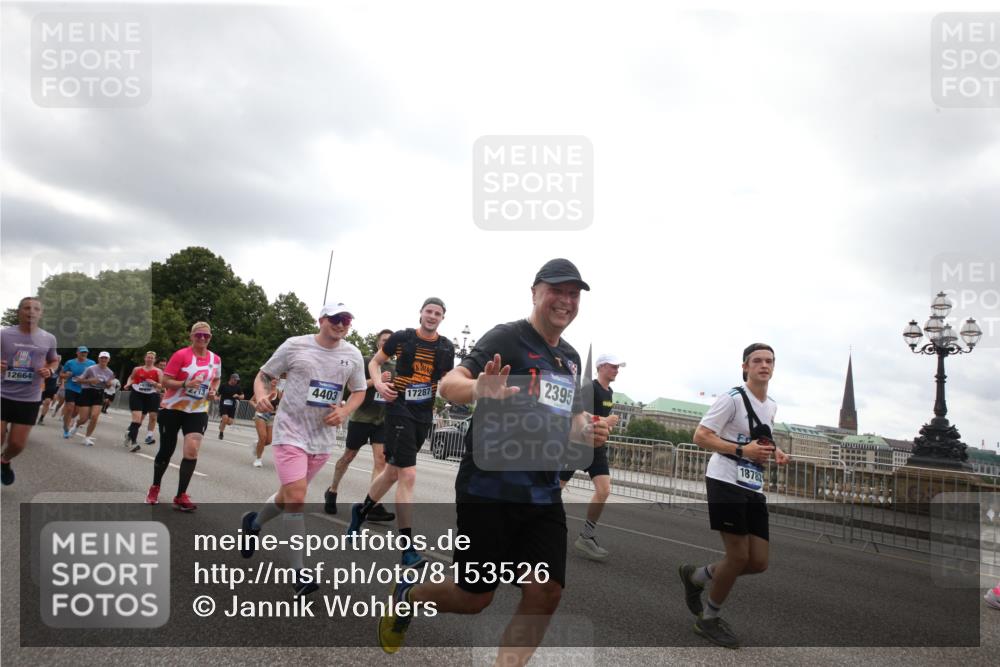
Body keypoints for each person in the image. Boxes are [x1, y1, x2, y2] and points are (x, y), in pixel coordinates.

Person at [376, 259, 611, 666]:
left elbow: (571, 420)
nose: (566, 301)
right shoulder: (509, 337)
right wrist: (481, 388)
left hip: (542, 491)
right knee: (474, 598)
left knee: (547, 591)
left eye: (574, 294)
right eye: (558, 290)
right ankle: (408, 596)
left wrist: (587, 429)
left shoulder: (570, 359)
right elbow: (450, 384)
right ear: (536, 291)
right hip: (489, 488)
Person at [239, 303, 366, 597]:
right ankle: (299, 574)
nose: (341, 324)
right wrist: (259, 396)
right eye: (335, 318)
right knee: (296, 497)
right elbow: (263, 375)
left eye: (346, 320)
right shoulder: (295, 345)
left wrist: (345, 411)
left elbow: (359, 391)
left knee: (288, 495)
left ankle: (253, 523)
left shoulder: (353, 354)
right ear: (321, 319)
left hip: (322, 436)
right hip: (290, 431)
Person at [680, 342, 790, 649]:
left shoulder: (771, 405)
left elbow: (760, 438)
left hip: (752, 485)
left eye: (769, 361)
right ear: (745, 366)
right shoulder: (731, 399)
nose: (764, 365)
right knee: (738, 556)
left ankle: (696, 576)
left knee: (758, 562)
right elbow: (700, 436)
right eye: (757, 361)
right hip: (725, 479)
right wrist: (743, 450)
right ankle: (709, 619)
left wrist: (775, 450)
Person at [346, 299, 454, 568]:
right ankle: (407, 548)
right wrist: (381, 387)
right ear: (421, 313)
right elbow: (375, 362)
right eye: (428, 311)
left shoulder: (446, 347)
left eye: (437, 313)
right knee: (408, 473)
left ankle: (360, 511)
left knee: (393, 471)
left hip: (424, 413)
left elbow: (448, 379)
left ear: (442, 318)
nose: (432, 316)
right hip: (399, 409)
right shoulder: (402, 338)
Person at [145, 322, 222, 511]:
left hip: (197, 410)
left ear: (210, 337)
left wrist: (213, 390)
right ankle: (155, 487)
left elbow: (216, 379)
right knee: (167, 449)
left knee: (192, 450)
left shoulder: (216, 359)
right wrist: (185, 384)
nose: (202, 338)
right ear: (191, 336)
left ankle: (180, 496)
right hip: (173, 408)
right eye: (198, 335)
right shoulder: (181, 355)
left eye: (206, 336)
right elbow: (164, 381)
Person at [324, 328, 396, 523]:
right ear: (377, 343)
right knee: (349, 456)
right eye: (383, 340)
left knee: (380, 461)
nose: (386, 343)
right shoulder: (365, 361)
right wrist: (377, 380)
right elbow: (352, 386)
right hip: (360, 418)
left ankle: (372, 505)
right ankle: (332, 491)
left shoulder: (395, 366)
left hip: (381, 421)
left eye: (390, 341)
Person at [559, 352, 623, 560]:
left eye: (617, 367)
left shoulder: (609, 392)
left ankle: (586, 536)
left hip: (596, 447)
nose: (616, 370)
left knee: (604, 490)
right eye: (613, 366)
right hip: (577, 445)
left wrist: (604, 427)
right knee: (553, 489)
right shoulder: (590, 388)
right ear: (601, 367)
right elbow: (578, 414)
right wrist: (605, 420)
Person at [1, 297, 59, 485]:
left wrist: (50, 370)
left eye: (36, 309)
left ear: (41, 314)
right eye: (27, 308)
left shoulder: (48, 338)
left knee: (17, 444)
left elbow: (54, 360)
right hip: (2, 393)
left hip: (29, 398)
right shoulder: (4, 335)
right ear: (19, 311)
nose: (31, 312)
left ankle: (4, 460)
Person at [123, 351, 164, 453]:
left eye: (152, 358)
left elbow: (162, 386)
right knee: (136, 420)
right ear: (145, 358)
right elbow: (131, 378)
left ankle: (129, 433)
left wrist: (154, 383)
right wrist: (128, 384)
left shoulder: (158, 371)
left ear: (154, 360)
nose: (149, 359)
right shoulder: (137, 369)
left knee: (140, 420)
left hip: (150, 396)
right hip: (137, 394)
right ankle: (134, 443)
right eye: (148, 357)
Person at [75, 351, 116, 446]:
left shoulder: (110, 372)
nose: (103, 360)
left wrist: (108, 385)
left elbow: (107, 386)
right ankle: (76, 425)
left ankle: (87, 438)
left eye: (106, 358)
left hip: (99, 394)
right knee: (84, 419)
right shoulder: (90, 369)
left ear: (109, 360)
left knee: (94, 417)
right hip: (87, 392)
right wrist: (90, 380)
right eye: (102, 358)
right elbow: (78, 380)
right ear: (99, 359)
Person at [60, 346, 95, 438]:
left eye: (85, 352)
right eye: (82, 352)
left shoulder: (91, 363)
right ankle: (66, 428)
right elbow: (61, 374)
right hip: (71, 387)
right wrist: (66, 375)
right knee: (70, 407)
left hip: (83, 389)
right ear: (77, 353)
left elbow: (94, 375)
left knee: (76, 411)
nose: (84, 354)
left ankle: (69, 420)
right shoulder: (70, 362)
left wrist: (88, 379)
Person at [252, 374, 283, 468]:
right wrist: (257, 407)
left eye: (276, 379)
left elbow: (282, 404)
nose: (274, 380)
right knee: (263, 437)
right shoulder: (263, 390)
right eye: (273, 379)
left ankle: (257, 445)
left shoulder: (279, 392)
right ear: (269, 381)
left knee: (269, 440)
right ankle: (258, 459)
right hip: (261, 415)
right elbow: (251, 401)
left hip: (272, 417)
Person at [217, 373, 244, 440]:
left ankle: (222, 422)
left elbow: (243, 396)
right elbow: (218, 393)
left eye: (237, 380)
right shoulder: (224, 385)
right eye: (235, 380)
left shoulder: (238, 387)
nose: (236, 381)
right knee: (225, 417)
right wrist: (216, 397)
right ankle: (221, 434)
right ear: (231, 378)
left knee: (229, 422)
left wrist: (237, 396)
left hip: (232, 406)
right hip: (223, 405)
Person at [37, 354, 62, 425]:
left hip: (52, 387)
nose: (57, 361)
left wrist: (60, 386)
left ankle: (41, 418)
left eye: (58, 360)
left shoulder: (60, 367)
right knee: (38, 403)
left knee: (47, 402)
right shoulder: (46, 365)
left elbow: (61, 376)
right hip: (42, 386)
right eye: (56, 359)